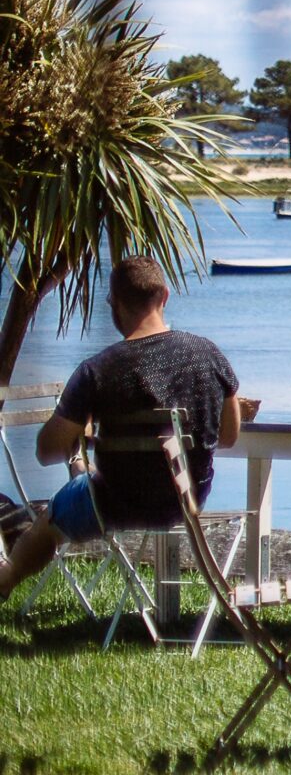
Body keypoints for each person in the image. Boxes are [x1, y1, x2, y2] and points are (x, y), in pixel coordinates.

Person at [0, 256, 241, 605]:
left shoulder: (97, 371)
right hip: (186, 502)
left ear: (114, 304)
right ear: (165, 297)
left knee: (51, 518)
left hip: (113, 505)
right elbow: (229, 436)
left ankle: (5, 580)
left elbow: (45, 450)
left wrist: (75, 423)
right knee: (85, 480)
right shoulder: (208, 355)